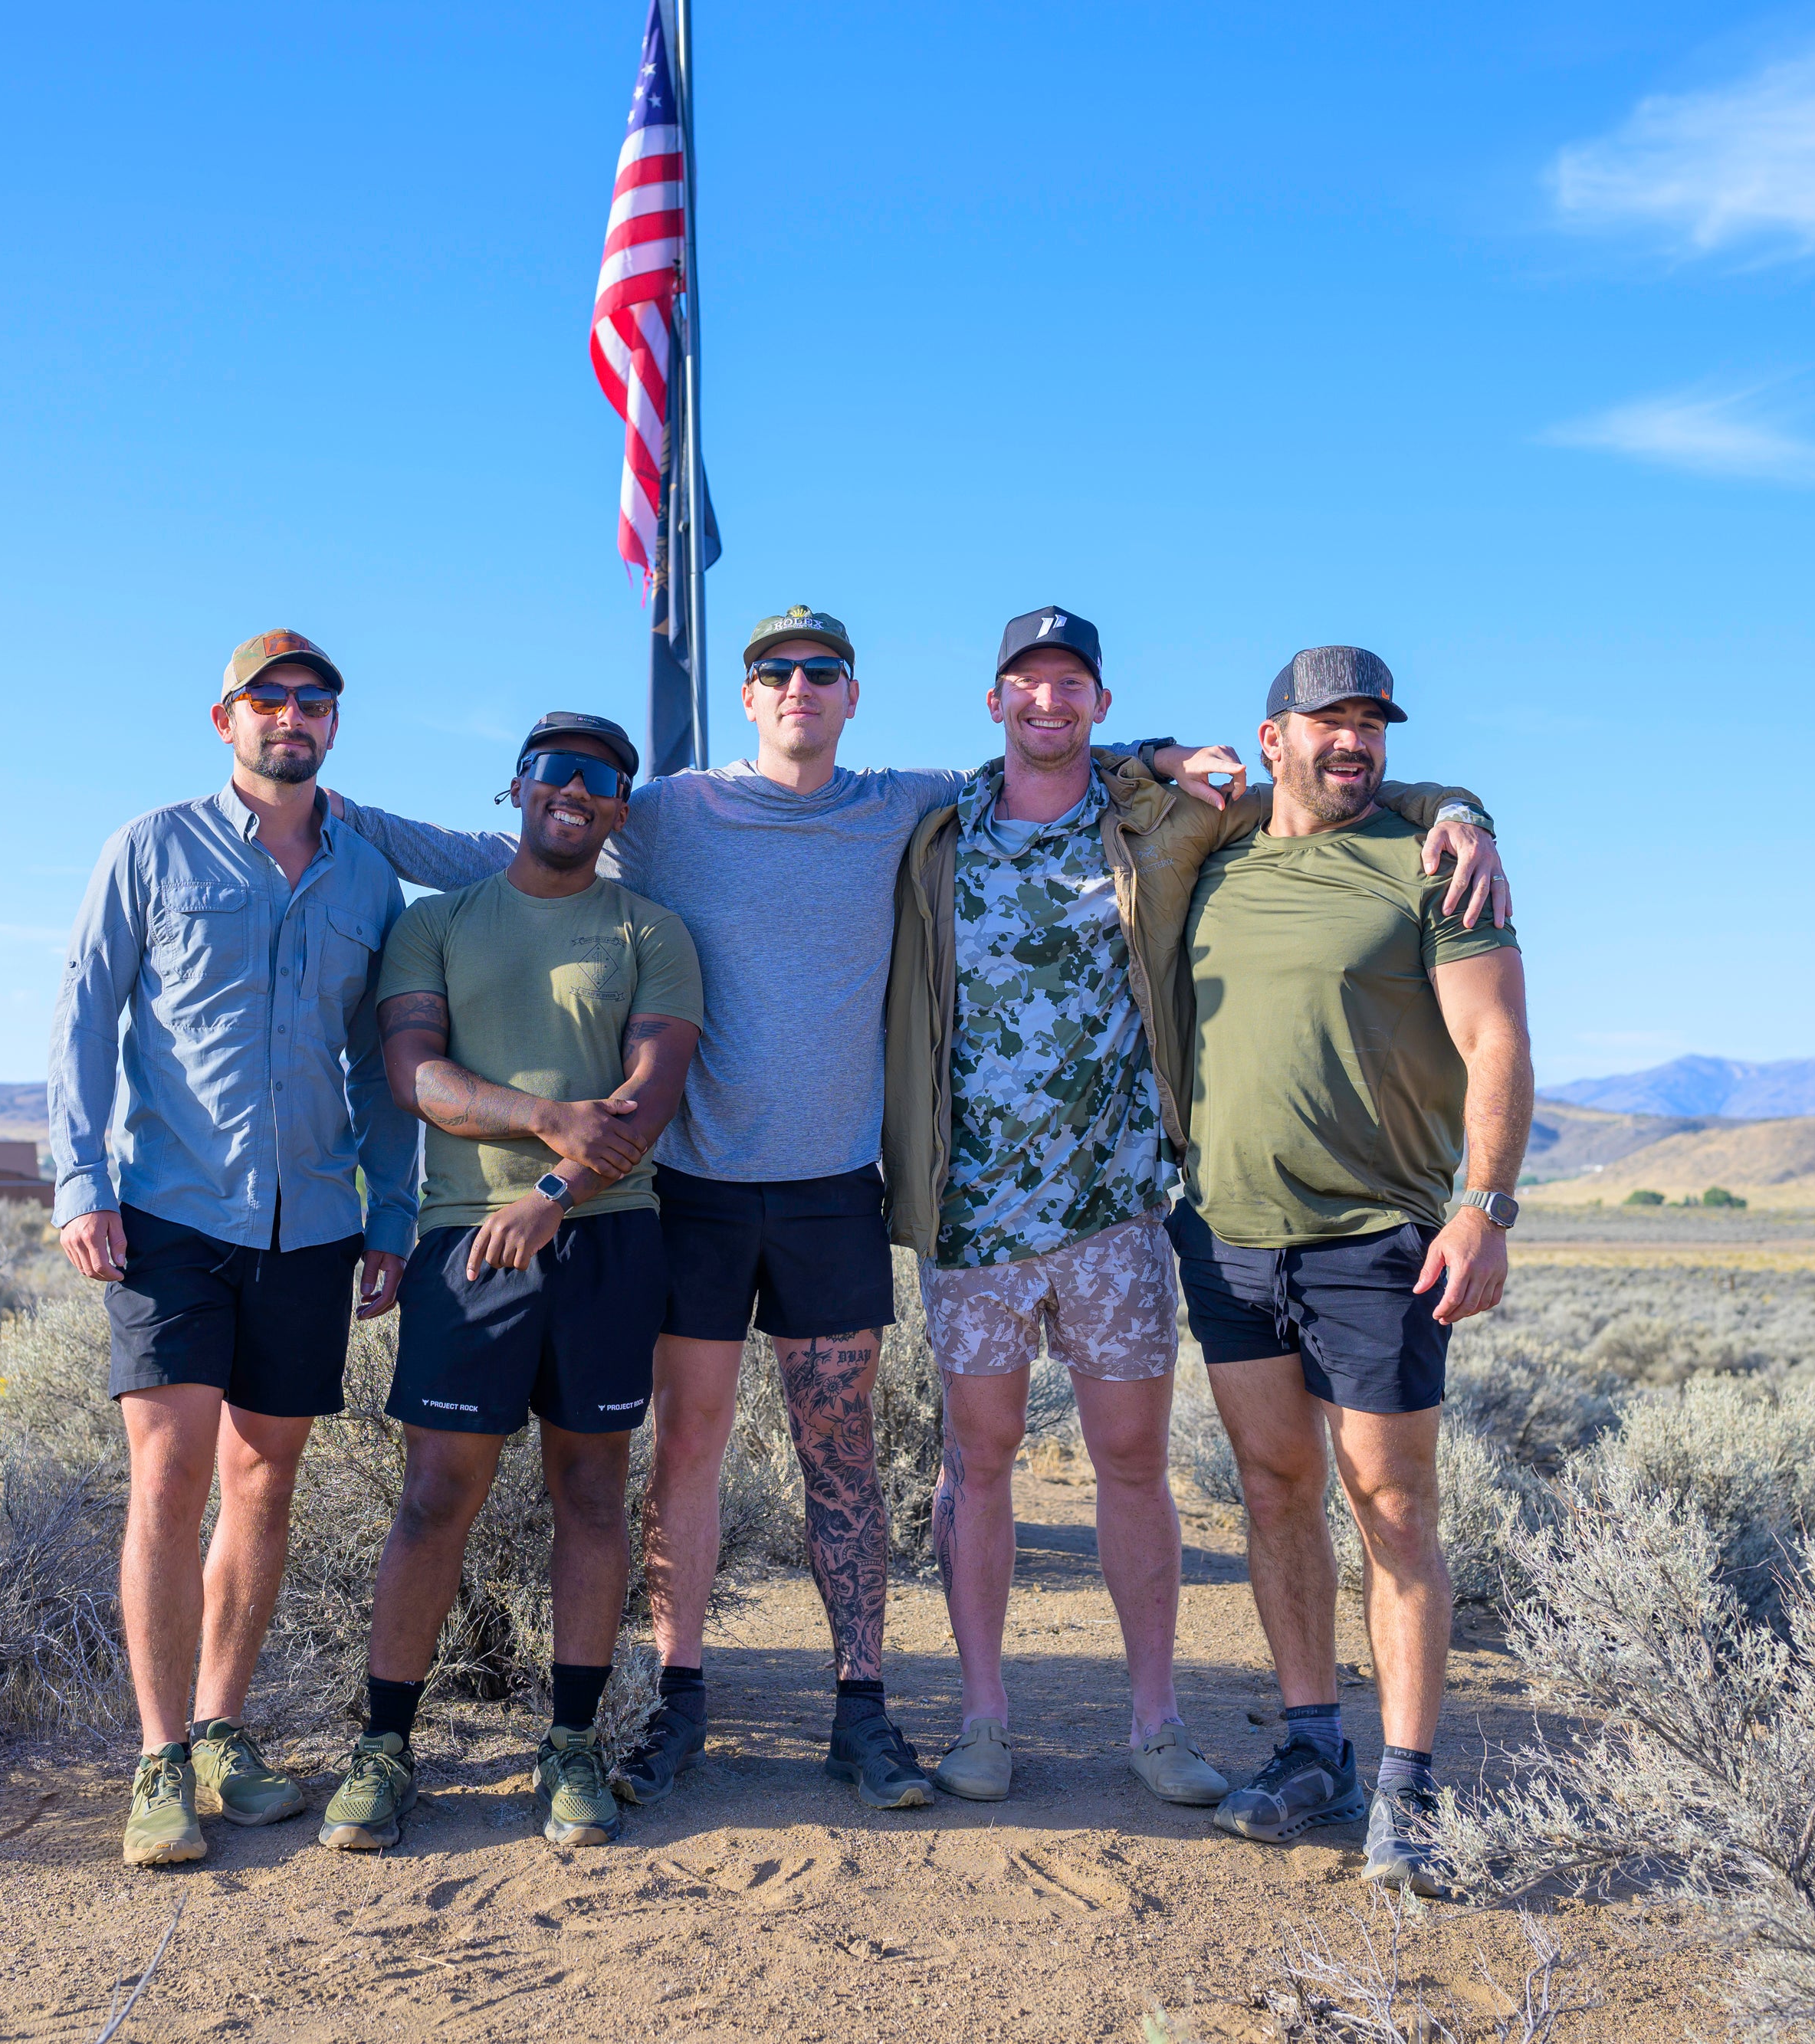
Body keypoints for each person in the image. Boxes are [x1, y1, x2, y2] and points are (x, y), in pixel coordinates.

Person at [325, 609, 1416, 1813]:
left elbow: (1173, 771)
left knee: (865, 1455)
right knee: (692, 1449)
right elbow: (517, 853)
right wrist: (330, 810)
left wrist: (1399, 798)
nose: (799, 687)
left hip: (859, 1192)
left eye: (823, 671)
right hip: (710, 1189)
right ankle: (681, 1701)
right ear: (750, 697)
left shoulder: (909, 803)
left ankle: (880, 1712)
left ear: (855, 694)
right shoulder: (679, 812)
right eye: (776, 672)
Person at [885, 609, 1497, 1809]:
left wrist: (1458, 807)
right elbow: (1297, 765)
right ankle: (983, 1720)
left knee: (1132, 1464)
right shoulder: (936, 832)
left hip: (1123, 1208)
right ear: (995, 699)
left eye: (1073, 685)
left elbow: (1333, 786)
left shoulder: (1165, 822)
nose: (1049, 702)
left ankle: (1158, 1724)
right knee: (982, 1459)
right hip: (972, 1211)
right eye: (1028, 683)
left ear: (1103, 707)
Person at [45, 628, 419, 1870]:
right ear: (226, 721)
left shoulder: (369, 878)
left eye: (315, 703)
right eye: (269, 701)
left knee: (266, 1480)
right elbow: (85, 1017)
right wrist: (80, 1180)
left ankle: (221, 1731)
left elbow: (379, 1064)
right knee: (171, 1476)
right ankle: (158, 1761)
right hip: (168, 1214)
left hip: (313, 1222)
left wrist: (391, 1211)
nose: (293, 719)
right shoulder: (150, 849)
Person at [1170, 646, 1534, 1897]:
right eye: (1328, 721)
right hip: (1224, 1232)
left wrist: (1482, 1206)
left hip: (1377, 1238)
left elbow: (1495, 1042)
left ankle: (1410, 1784)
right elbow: (1091, 769)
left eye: (1372, 723)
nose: (1354, 742)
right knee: (1274, 1490)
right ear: (1270, 739)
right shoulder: (1205, 859)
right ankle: (1312, 1744)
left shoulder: (1434, 862)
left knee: (1391, 1506)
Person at [315, 712, 704, 1855]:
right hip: (460, 1242)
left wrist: (551, 1196)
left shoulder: (651, 931)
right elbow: (416, 1074)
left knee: (591, 1495)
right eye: (555, 771)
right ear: (519, 789)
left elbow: (649, 1095)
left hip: (606, 1240)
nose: (575, 790)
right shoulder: (437, 922)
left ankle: (573, 1745)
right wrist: (540, 1121)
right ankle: (385, 1748)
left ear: (619, 812)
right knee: (435, 1497)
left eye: (601, 779)